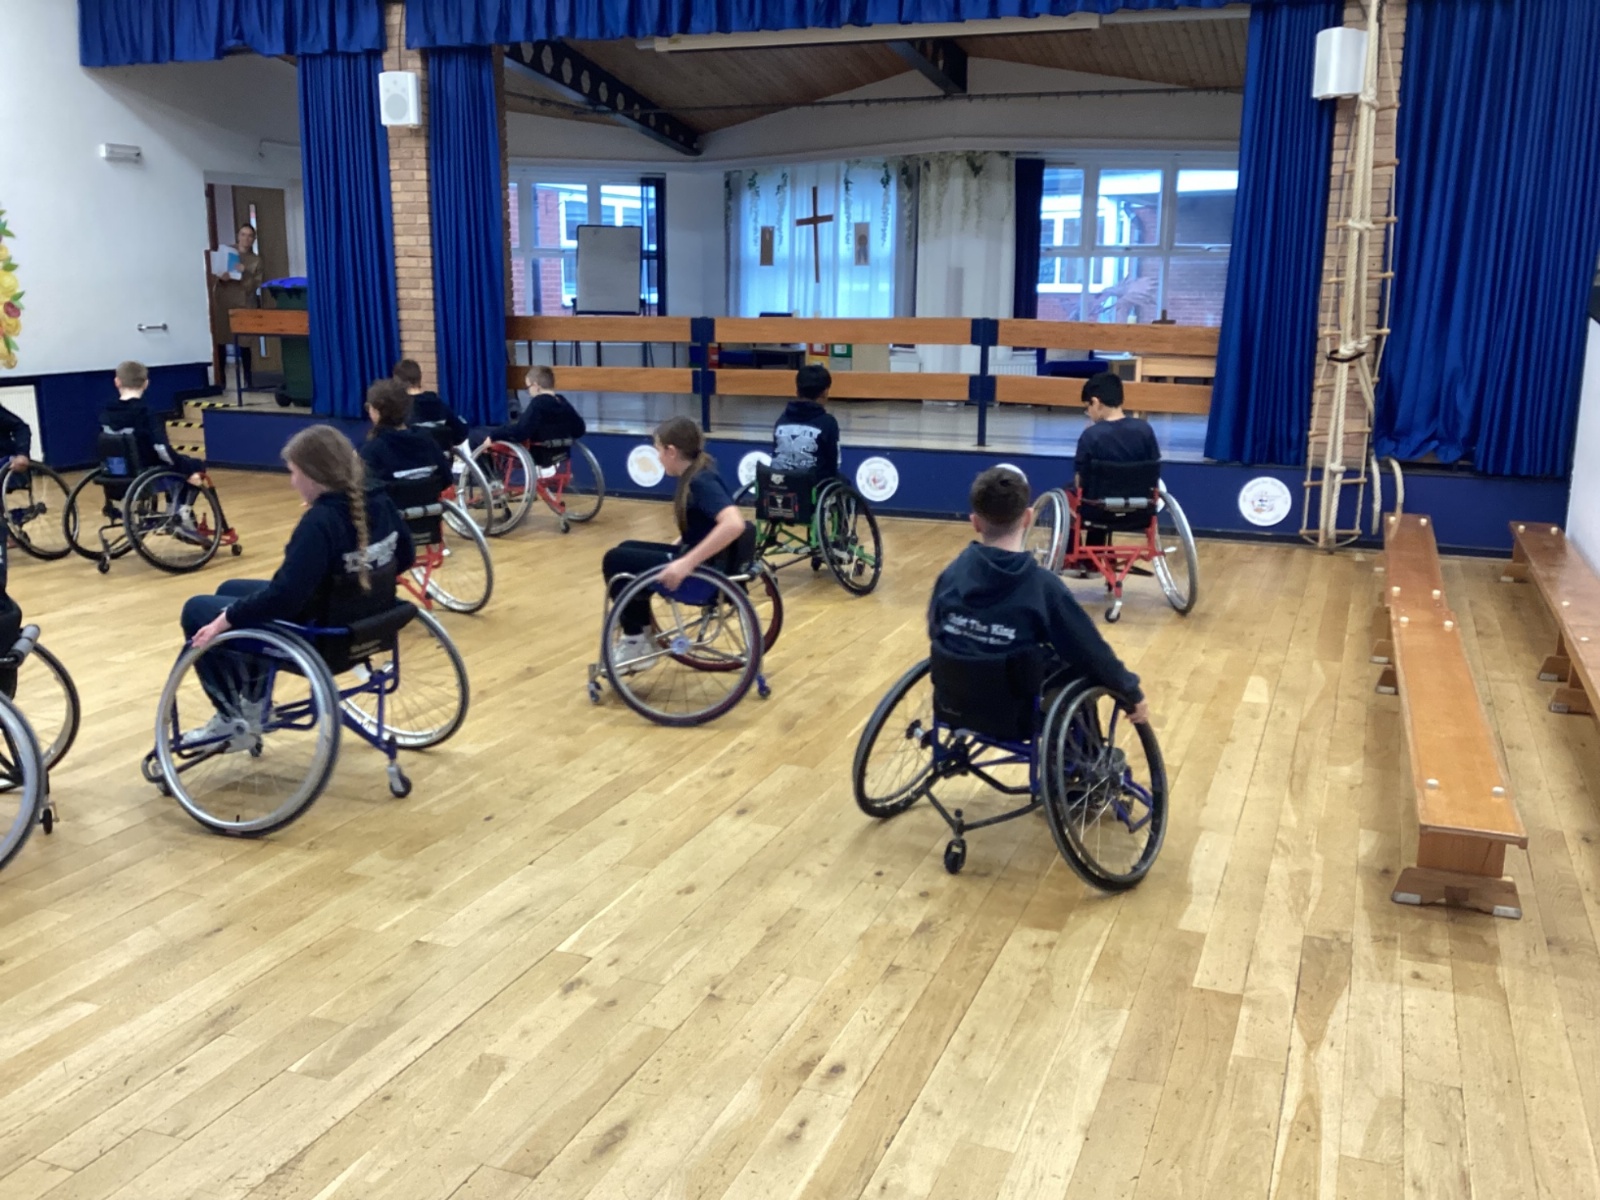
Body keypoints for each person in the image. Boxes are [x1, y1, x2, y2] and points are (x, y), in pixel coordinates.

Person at [179, 425, 414, 743]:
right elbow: (405, 556)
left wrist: (226, 619)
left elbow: (285, 596)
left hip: (323, 637)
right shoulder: (379, 501)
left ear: (313, 477)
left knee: (198, 610)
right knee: (229, 589)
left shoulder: (320, 523)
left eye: (293, 473)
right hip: (369, 620)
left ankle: (232, 718)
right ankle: (253, 702)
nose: (291, 482)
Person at [929, 466, 1149, 724]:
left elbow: (936, 629)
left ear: (975, 522)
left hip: (953, 701)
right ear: (1028, 518)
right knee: (1081, 667)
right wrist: (1130, 690)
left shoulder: (951, 574)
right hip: (1014, 715)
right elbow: (1089, 648)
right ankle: (1086, 748)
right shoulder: (1043, 586)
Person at [600, 416, 746, 672]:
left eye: (658, 450)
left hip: (702, 573)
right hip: (705, 562)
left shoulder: (700, 482)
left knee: (614, 560)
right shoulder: (700, 472)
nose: (658, 458)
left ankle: (636, 639)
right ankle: (642, 632)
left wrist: (685, 563)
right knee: (626, 548)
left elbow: (734, 523)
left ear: (671, 451)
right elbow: (705, 524)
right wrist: (684, 541)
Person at [1073, 371, 1161, 554]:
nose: (1088, 413)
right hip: (1140, 509)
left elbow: (1081, 480)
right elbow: (1154, 468)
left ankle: (1076, 554)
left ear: (1096, 402)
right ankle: (1098, 552)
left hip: (1098, 510)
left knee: (1070, 495)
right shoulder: (1145, 430)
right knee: (1102, 492)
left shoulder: (1091, 435)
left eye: (1087, 408)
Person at [100, 361, 205, 485]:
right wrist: (186, 469)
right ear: (146, 384)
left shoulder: (107, 413)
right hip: (145, 469)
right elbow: (162, 449)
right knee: (194, 465)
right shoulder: (147, 413)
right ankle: (180, 496)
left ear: (117, 382)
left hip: (114, 468)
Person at [359, 378, 450, 497]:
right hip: (430, 506)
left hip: (390, 508)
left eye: (368, 407)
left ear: (376, 412)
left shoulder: (372, 450)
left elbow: (365, 491)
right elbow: (446, 478)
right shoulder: (427, 439)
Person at [479, 366, 586, 462]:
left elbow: (521, 431)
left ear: (535, 386)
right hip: (562, 453)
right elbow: (580, 429)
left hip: (541, 455)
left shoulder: (538, 403)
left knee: (478, 436)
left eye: (528, 387)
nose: (529, 392)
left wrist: (494, 435)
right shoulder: (562, 402)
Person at [210, 222, 264, 389]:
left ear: (253, 239)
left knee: (245, 342)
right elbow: (212, 274)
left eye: (250, 236)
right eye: (243, 235)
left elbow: (254, 285)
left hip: (244, 304)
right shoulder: (227, 252)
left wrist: (244, 272)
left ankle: (248, 380)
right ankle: (221, 381)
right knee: (221, 340)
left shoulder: (256, 260)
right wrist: (221, 278)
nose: (246, 239)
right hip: (223, 303)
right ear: (238, 236)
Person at [770, 363, 841, 480]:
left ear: (797, 391)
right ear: (825, 392)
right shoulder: (828, 423)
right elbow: (833, 465)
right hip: (812, 486)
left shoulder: (781, 421)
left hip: (780, 484)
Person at [394, 359, 469, 451]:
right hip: (441, 458)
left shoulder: (399, 410)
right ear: (420, 378)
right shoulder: (439, 404)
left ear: (397, 382)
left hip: (412, 458)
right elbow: (461, 433)